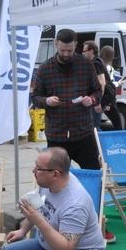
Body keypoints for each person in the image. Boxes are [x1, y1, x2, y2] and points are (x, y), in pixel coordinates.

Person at [33, 29, 102, 169]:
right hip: (56, 135)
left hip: (83, 133)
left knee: (93, 173)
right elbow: (35, 98)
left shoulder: (86, 65)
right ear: (56, 44)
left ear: (76, 44)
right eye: (62, 50)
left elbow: (98, 91)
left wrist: (92, 99)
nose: (66, 54)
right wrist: (47, 101)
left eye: (70, 50)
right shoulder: (45, 69)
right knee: (55, 175)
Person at [83, 42, 122, 130]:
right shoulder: (97, 62)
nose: (83, 53)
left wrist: (99, 102)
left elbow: (101, 82)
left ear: (91, 51)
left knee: (94, 126)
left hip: (105, 98)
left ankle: (102, 138)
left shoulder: (96, 63)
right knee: (114, 124)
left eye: (84, 51)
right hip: (107, 97)